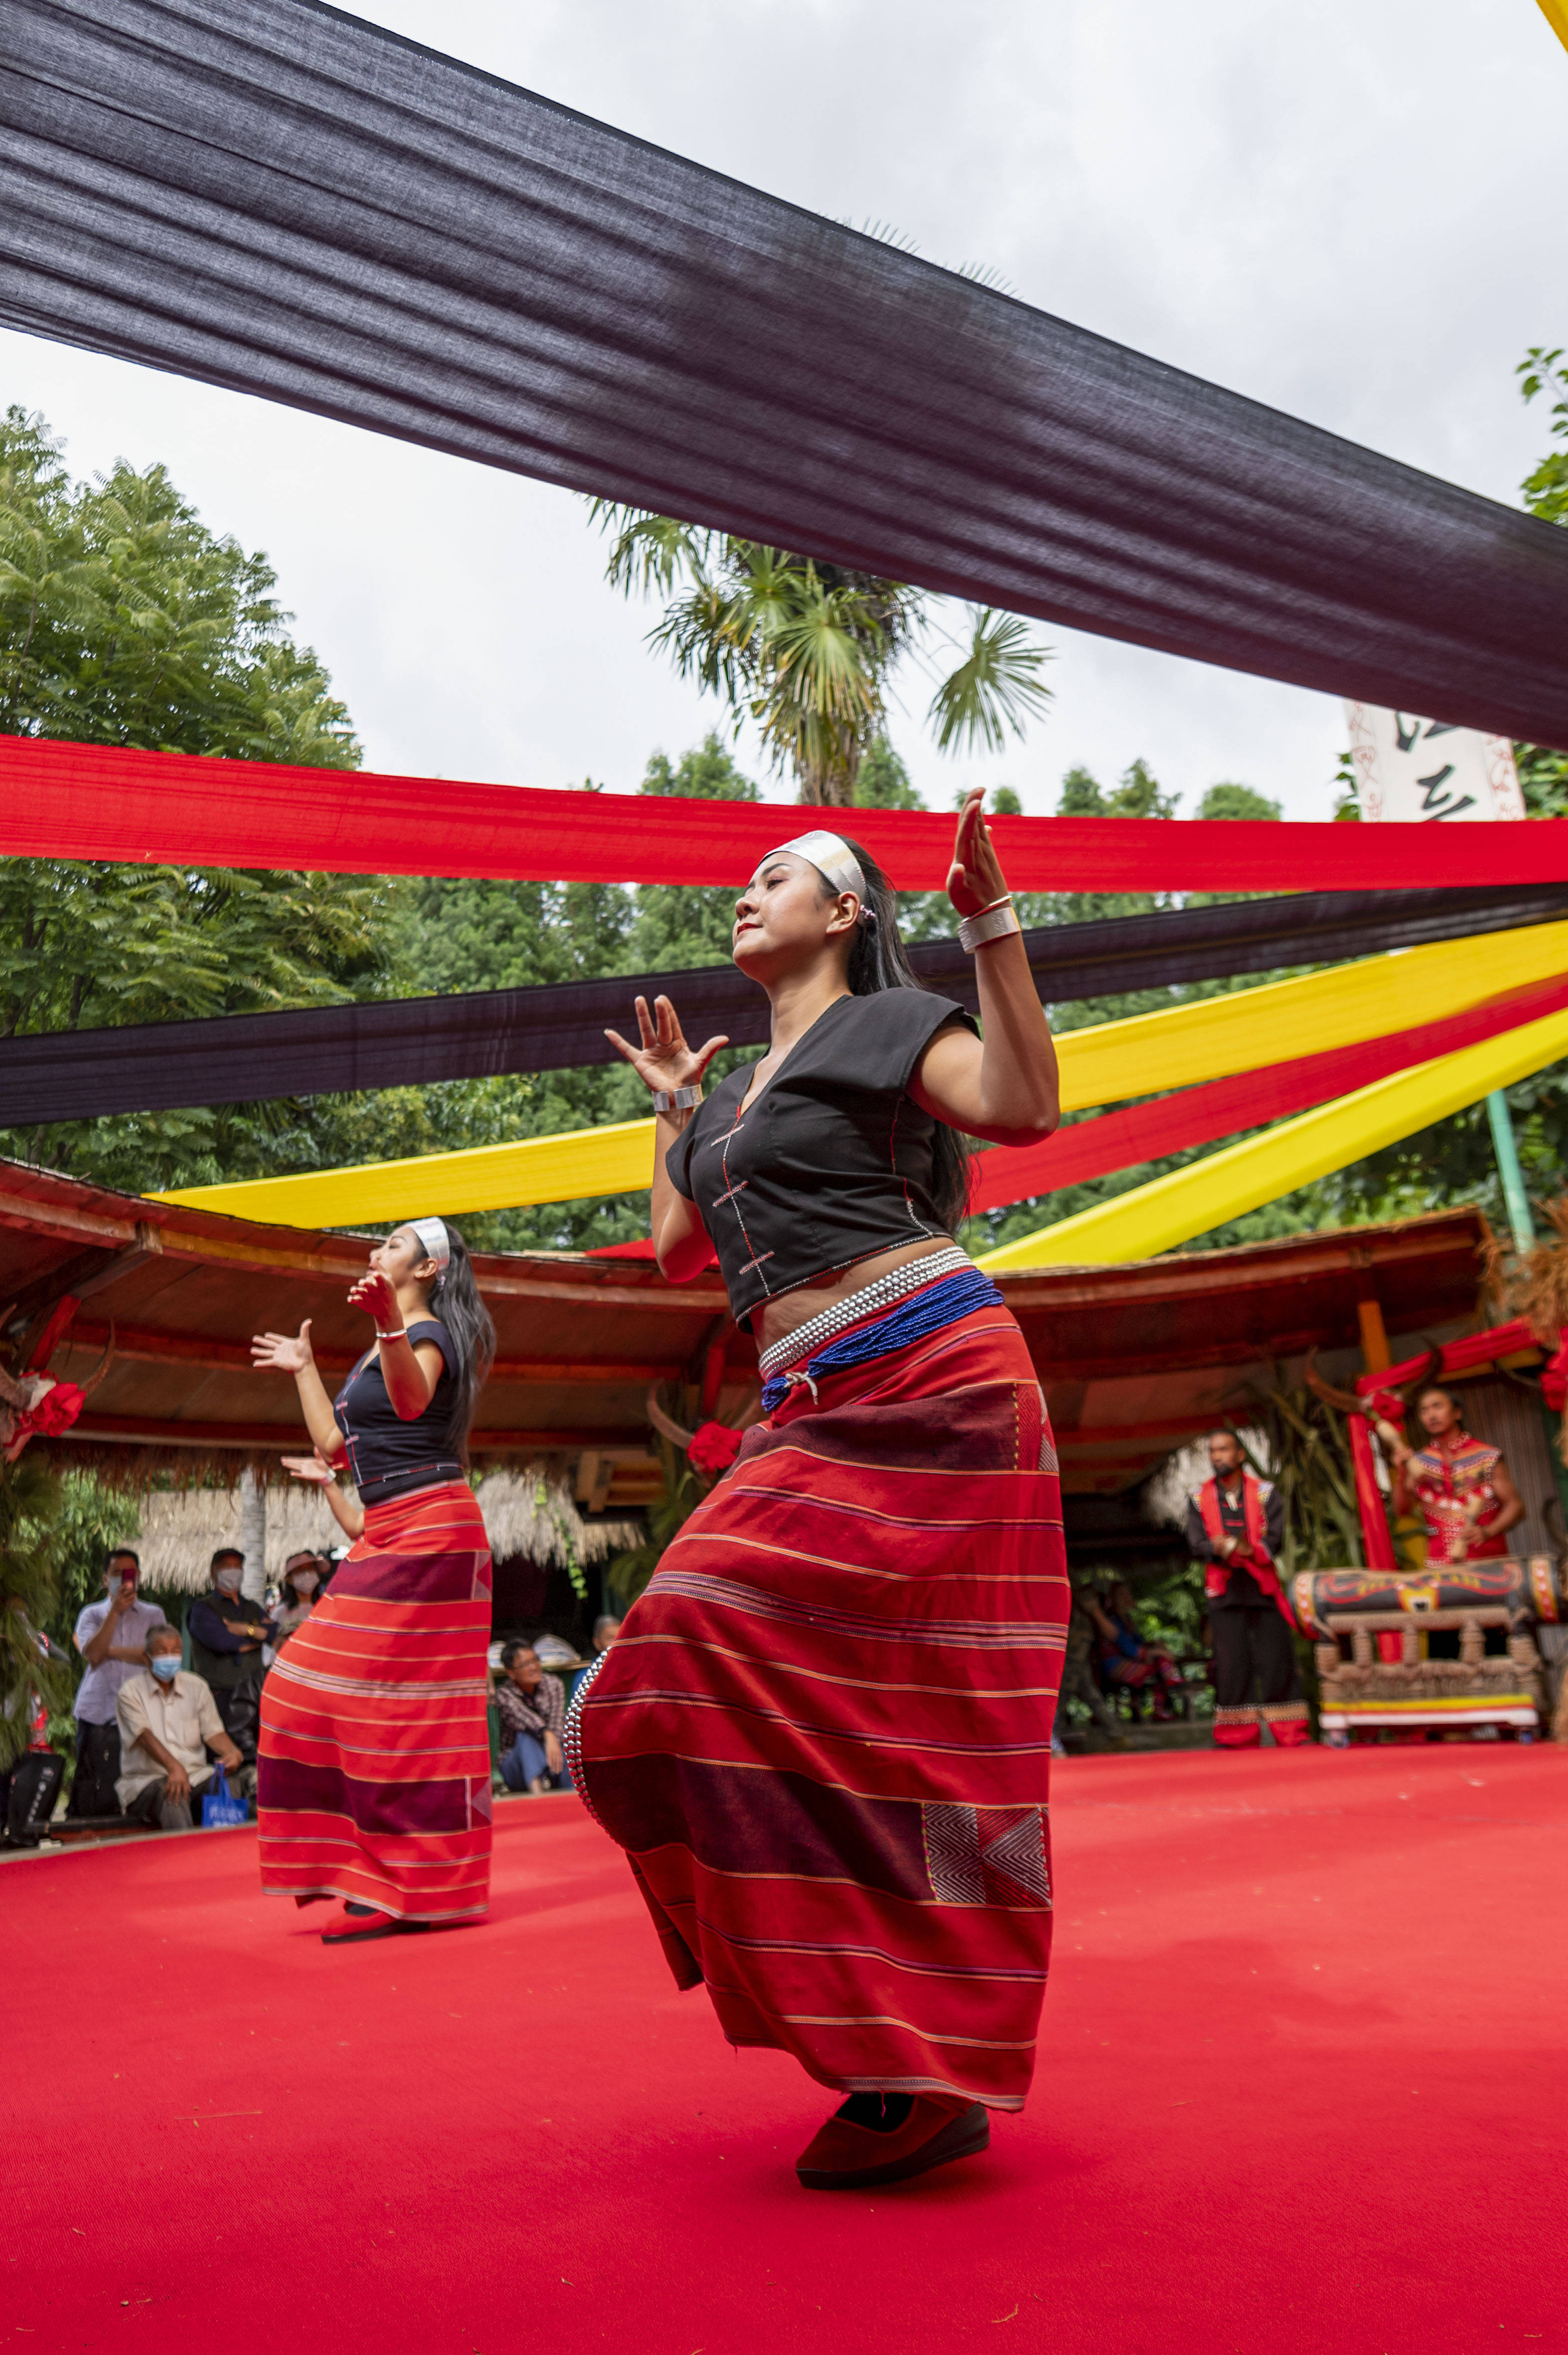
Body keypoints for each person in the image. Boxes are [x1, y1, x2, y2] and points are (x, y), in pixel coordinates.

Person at [570, 799, 1063, 2193]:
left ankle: (920, 2069)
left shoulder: (895, 1020)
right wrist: (672, 1105)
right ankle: (868, 2025)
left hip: (939, 1381)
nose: (745, 891)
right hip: (805, 1410)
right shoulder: (727, 1104)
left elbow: (1024, 1107)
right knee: (644, 1692)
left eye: (774, 876)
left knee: (924, 1733)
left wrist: (989, 927)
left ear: (843, 914)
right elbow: (676, 1249)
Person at [249, 1215, 501, 1941]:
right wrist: (304, 1370)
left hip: (434, 1529)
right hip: (389, 1528)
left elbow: (415, 1403)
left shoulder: (430, 1339)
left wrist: (390, 1327)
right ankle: (381, 1871)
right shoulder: (375, 1351)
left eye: (393, 1244)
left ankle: (418, 1884)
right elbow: (334, 1445)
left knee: (389, 1711)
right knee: (312, 1690)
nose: (375, 1251)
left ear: (428, 1270)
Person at [1185, 1430, 1311, 1750]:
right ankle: (1236, 1737)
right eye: (1213, 1451)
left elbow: (1276, 1540)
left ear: (1240, 1455)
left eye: (1224, 1450)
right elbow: (1196, 1543)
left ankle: (1291, 1733)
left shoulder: (1266, 1493)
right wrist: (1223, 1549)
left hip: (1261, 1586)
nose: (1217, 1457)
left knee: (1276, 1660)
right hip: (1224, 1589)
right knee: (1231, 1664)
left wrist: (1246, 1549)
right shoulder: (1198, 1498)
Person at [67, 1550, 168, 1821]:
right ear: (104, 1578)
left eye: (130, 1573)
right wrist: (115, 1612)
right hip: (98, 1710)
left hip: (141, 1712)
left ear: (139, 1577)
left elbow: (157, 1658)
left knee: (139, 1779)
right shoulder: (91, 1614)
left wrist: (110, 1650)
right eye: (117, 1573)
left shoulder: (153, 1614)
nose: (124, 1579)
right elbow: (94, 1655)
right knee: (93, 1784)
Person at [115, 1625, 246, 1831]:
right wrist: (175, 1768)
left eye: (175, 1650)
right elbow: (144, 1736)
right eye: (161, 1651)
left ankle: (224, 1854)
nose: (170, 1656)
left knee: (228, 1783)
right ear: (146, 1657)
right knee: (174, 1792)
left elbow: (213, 1731)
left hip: (196, 1776)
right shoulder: (130, 1693)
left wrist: (232, 1752)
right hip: (146, 1781)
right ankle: (186, 1860)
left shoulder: (197, 1686)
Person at [1404, 1387, 1525, 1563]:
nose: (1431, 1415)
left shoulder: (1486, 1456)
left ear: (1457, 1413)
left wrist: (1487, 1532)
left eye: (1437, 1407)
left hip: (1488, 1561)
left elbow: (1515, 1506)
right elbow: (1403, 1510)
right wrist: (1401, 1475)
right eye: (1424, 1410)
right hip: (1440, 1564)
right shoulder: (1419, 1462)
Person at [185, 1546, 274, 1752]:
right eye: (227, 1567)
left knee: (255, 1753)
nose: (233, 1572)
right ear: (213, 1572)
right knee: (223, 1756)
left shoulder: (252, 1607)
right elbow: (222, 1642)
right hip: (220, 1698)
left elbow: (274, 1632)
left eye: (237, 1567)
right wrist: (258, 1636)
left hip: (255, 1697)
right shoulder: (203, 1609)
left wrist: (246, 1629)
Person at [1083, 1579, 1184, 1721]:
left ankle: (1160, 1707)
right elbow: (1129, 1649)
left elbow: (1137, 1643)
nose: (1126, 1598)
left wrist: (1155, 1646)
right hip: (1113, 1665)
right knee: (1160, 1667)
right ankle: (1163, 1698)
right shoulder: (1112, 1620)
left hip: (1128, 1661)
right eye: (1121, 1595)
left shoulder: (1127, 1621)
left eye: (1127, 1594)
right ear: (1113, 1599)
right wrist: (1159, 1653)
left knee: (1159, 1664)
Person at [490, 1643, 567, 1793]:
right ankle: (538, 1797)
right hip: (514, 1766)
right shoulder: (504, 1694)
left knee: (568, 1747)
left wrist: (552, 1737)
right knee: (525, 1738)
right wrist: (547, 1733)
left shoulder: (554, 1684)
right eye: (526, 1664)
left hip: (552, 1753)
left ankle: (574, 1801)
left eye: (535, 1660)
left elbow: (557, 1723)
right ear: (511, 1673)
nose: (534, 1667)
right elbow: (525, 1718)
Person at [268, 1552, 330, 1663]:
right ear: (290, 1579)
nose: (307, 1575)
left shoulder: (325, 1608)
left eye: (311, 1569)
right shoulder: (281, 1612)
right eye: (300, 1571)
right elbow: (270, 1651)